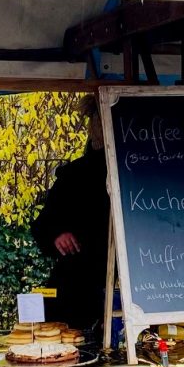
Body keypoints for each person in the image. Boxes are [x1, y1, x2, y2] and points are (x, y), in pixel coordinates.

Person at [30, 103, 111, 332]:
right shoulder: (76, 175)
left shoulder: (146, 174)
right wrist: (57, 234)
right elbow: (42, 226)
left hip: (139, 280)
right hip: (79, 285)